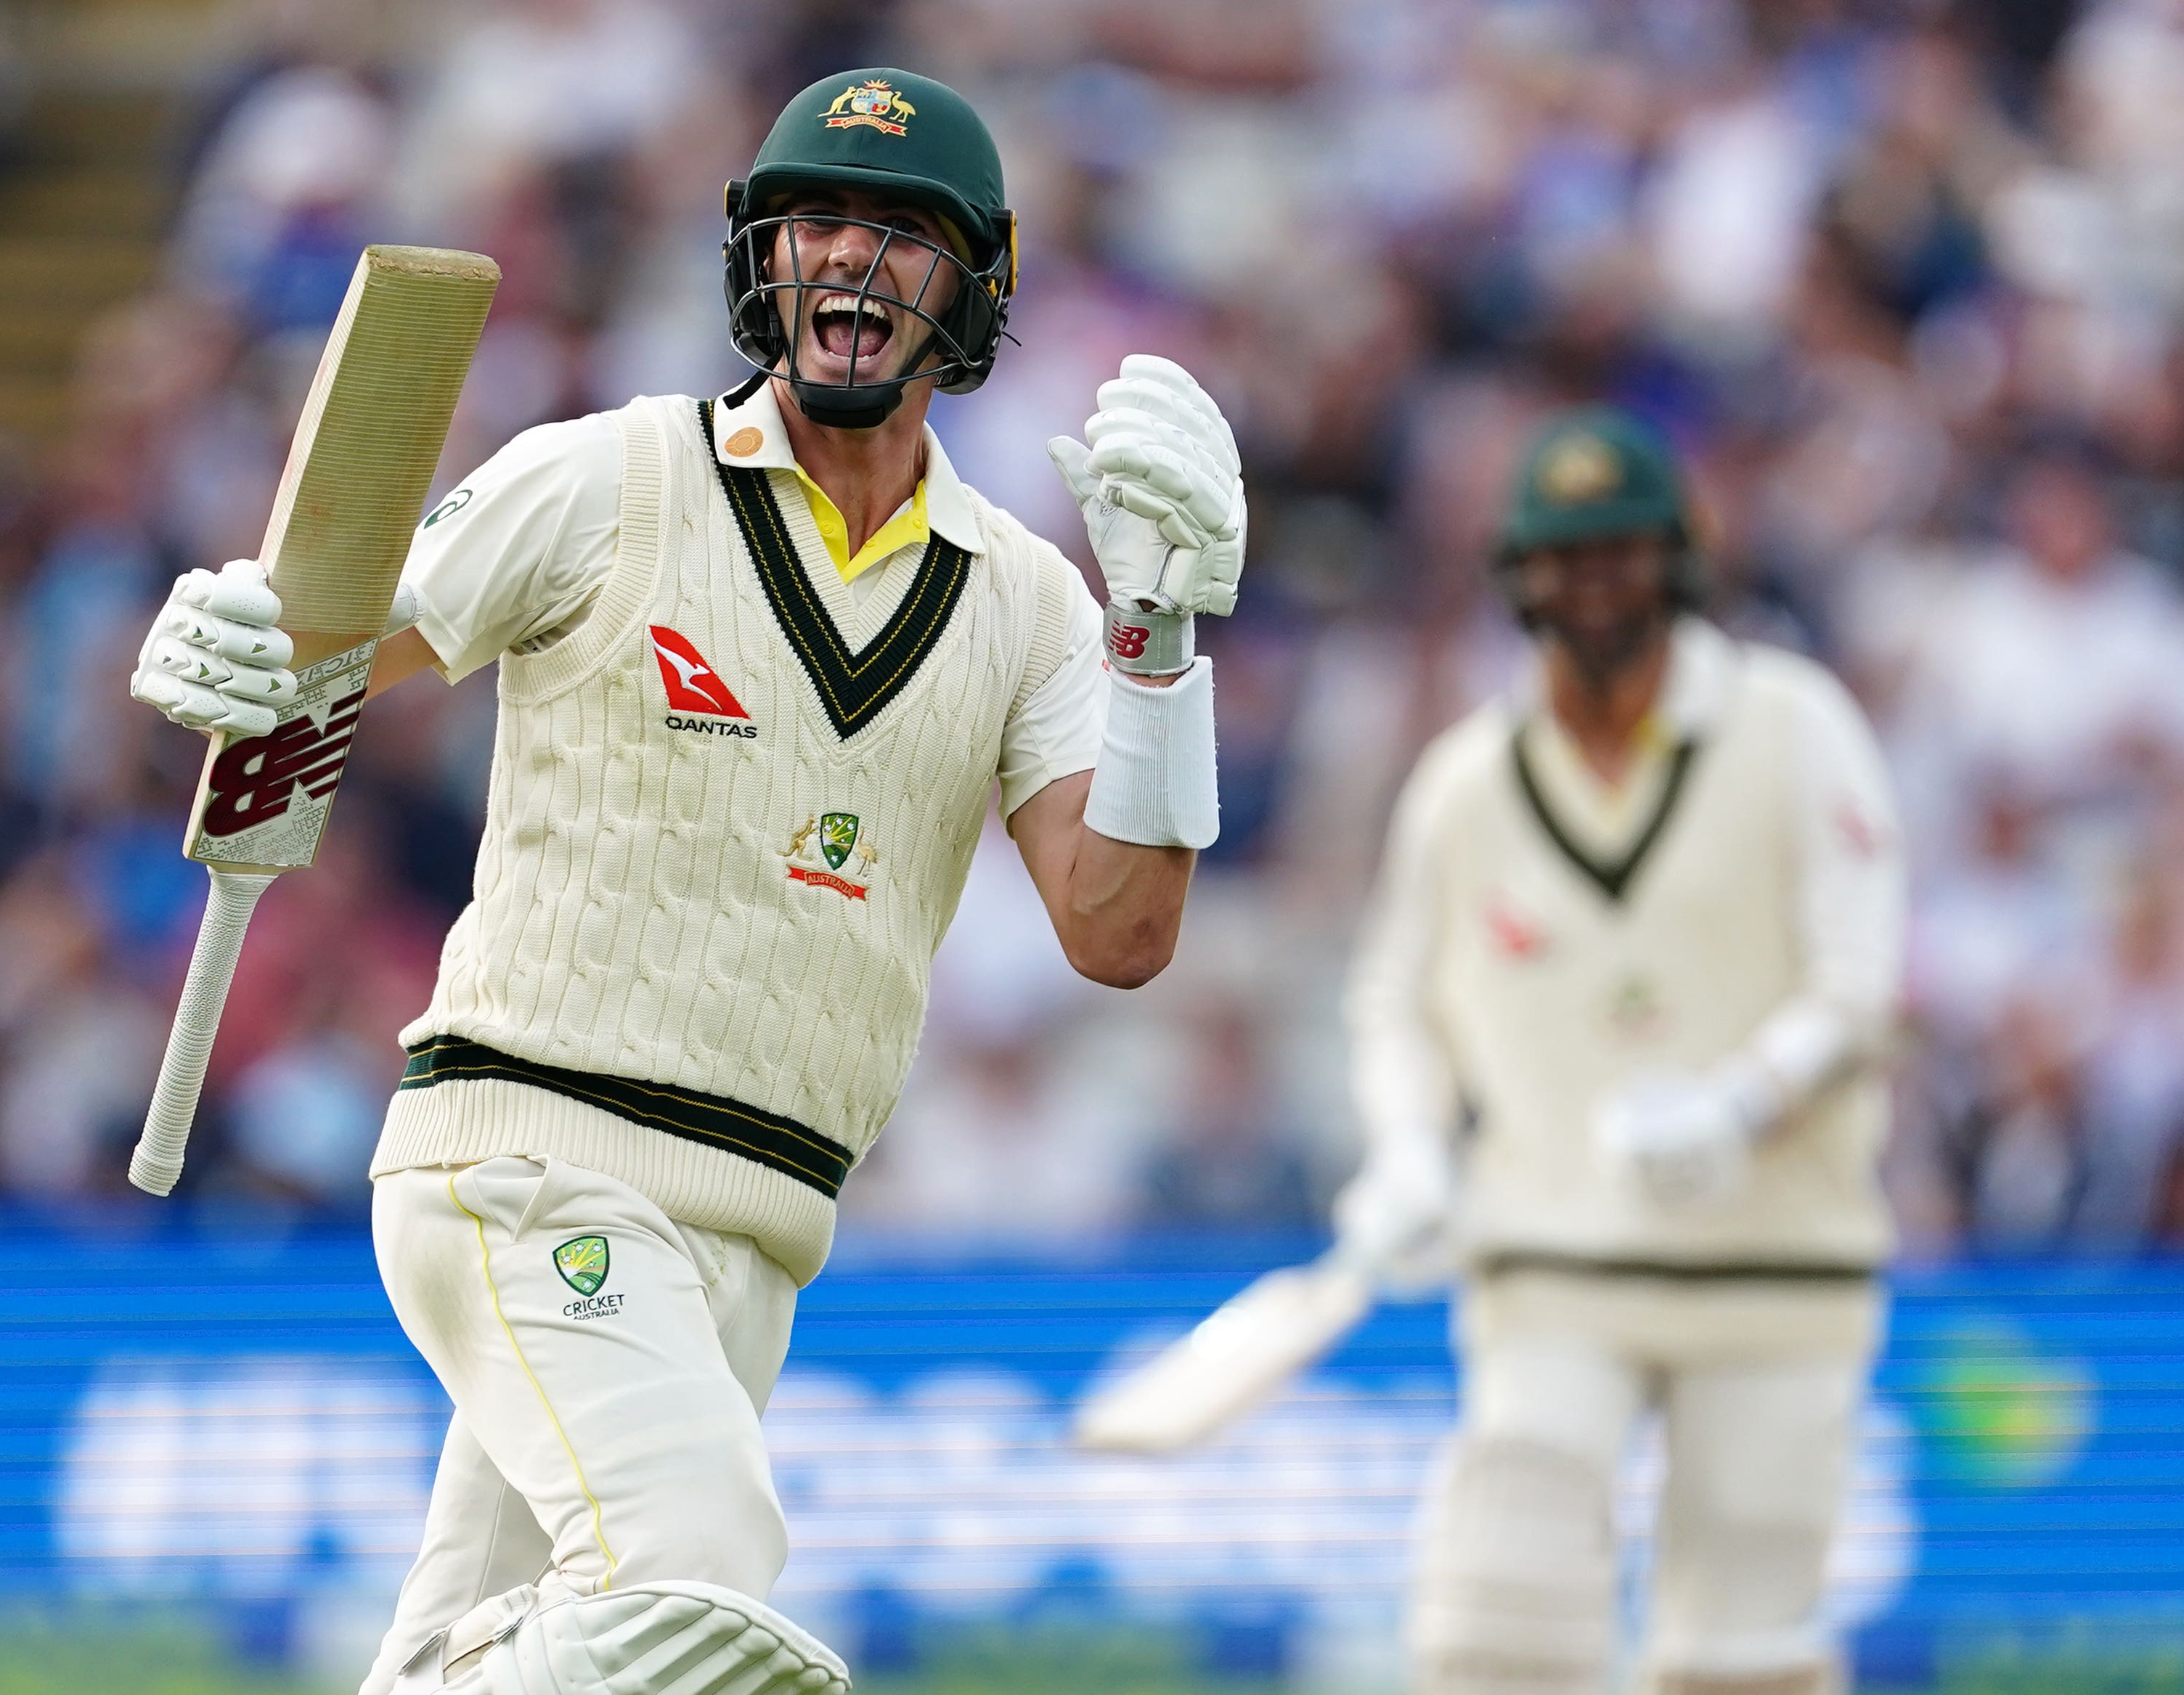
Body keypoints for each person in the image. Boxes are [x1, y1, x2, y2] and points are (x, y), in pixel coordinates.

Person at [131, 68, 1245, 1695]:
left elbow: (1122, 931)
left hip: (756, 1240)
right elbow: (332, 639)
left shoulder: (1025, 602)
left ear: (973, 285)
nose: (850, 263)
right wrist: (235, 642)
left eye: (901, 234)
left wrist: (1155, 651)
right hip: (526, 1160)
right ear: (760, 259)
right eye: (817, 224)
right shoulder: (607, 477)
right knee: (697, 1602)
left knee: (486, 1655)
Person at [1331, 407, 1905, 1695]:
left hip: (1777, 1263)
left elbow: (1861, 981)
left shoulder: (1793, 725)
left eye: (1620, 552)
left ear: (1677, 559)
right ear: (1518, 576)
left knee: (1740, 1655)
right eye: (1564, 558)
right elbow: (1393, 1001)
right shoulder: (1468, 780)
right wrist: (1408, 1152)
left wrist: (1741, 1105)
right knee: (1496, 1629)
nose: (1593, 586)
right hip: (1552, 1260)